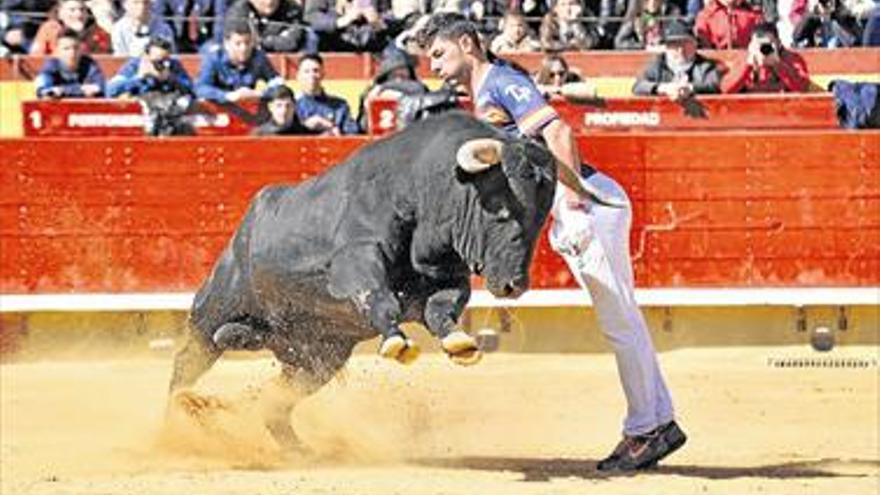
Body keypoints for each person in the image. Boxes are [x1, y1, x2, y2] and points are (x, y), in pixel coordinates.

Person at [420, 12, 686, 472]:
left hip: (588, 206)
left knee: (621, 323)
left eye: (439, 54)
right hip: (585, 207)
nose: (434, 66)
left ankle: (648, 430)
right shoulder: (487, 90)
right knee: (624, 320)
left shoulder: (499, 80)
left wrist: (570, 206)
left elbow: (558, 131)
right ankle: (657, 424)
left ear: (467, 43)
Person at [195, 20, 283, 103]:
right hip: (220, 110)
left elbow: (277, 82)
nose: (243, 48)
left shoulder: (258, 57)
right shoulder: (214, 58)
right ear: (227, 44)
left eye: (247, 43)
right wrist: (227, 96)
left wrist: (258, 94)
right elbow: (201, 88)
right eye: (238, 44)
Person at [632, 20, 722, 98]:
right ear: (666, 47)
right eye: (674, 44)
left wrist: (690, 88)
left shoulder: (704, 66)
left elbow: (712, 85)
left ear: (695, 45)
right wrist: (663, 88)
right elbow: (638, 86)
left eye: (685, 44)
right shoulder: (658, 64)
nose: (680, 50)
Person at [721, 22, 811, 93]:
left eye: (768, 44)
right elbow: (726, 89)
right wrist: (748, 65)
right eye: (758, 44)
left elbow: (803, 88)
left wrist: (778, 65)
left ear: (778, 43)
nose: (763, 48)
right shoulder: (744, 58)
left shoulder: (791, 58)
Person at [295, 53, 361, 135]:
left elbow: (353, 135)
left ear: (323, 74)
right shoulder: (292, 106)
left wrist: (332, 128)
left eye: (316, 71)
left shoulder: (339, 106)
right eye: (306, 71)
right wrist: (304, 126)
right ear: (298, 76)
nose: (311, 75)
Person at [107, 35, 193, 97]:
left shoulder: (173, 64)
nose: (161, 64)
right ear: (146, 56)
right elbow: (111, 89)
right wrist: (139, 77)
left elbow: (190, 88)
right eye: (157, 61)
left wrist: (171, 79)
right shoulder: (134, 65)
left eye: (164, 60)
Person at [224, 0, 317, 53]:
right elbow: (241, 43)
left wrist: (261, 42)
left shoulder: (292, 10)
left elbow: (290, 42)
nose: (269, 1)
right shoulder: (239, 11)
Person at [34, 28, 105, 97]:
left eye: (76, 48)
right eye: (66, 48)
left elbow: (99, 88)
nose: (72, 52)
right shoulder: (51, 65)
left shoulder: (90, 64)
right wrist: (81, 90)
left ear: (81, 49)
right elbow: (43, 90)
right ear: (58, 50)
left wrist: (62, 91)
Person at [30, 0, 111, 54]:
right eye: (72, 10)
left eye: (82, 10)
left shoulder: (98, 32)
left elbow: (104, 59)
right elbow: (37, 57)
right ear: (61, 13)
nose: (78, 14)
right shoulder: (49, 29)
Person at [151, 0, 225, 53]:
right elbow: (159, 19)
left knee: (212, 53)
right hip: (175, 38)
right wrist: (167, 40)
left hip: (203, 39)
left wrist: (216, 43)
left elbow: (220, 18)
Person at [111, 0, 176, 56]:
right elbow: (120, 58)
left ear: (151, 5)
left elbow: (171, 56)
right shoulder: (119, 29)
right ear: (125, 5)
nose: (141, 7)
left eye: (146, 2)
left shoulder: (164, 29)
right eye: (136, 2)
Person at [614, 0, 683, 50]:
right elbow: (619, 42)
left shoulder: (670, 12)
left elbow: (678, 36)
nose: (652, 2)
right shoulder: (635, 15)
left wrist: (665, 45)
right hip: (642, 57)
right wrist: (642, 46)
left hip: (665, 56)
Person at [694, 0, 765, 48]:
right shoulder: (706, 15)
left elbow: (762, 40)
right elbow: (704, 47)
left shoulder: (754, 14)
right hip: (716, 64)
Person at [792, 0, 861, 47]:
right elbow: (796, 37)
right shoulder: (812, 19)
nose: (827, 5)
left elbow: (856, 41)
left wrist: (836, 14)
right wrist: (815, 17)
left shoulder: (843, 17)